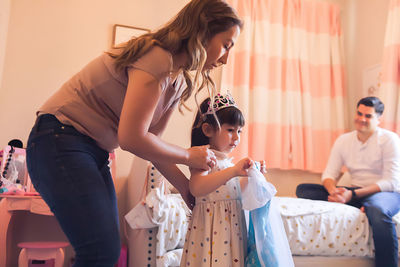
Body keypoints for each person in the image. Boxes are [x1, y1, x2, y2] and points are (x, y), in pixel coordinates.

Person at [25, 0, 243, 266]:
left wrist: (187, 189)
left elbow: (150, 143)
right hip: (59, 137)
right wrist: (188, 156)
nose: (225, 59)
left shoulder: (176, 80)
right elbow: (131, 138)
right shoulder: (158, 57)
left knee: (106, 250)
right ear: (204, 31)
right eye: (226, 45)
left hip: (89, 148)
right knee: (100, 250)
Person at [180, 93, 292, 267]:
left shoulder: (226, 162)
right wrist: (233, 171)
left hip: (232, 231)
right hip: (212, 231)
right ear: (208, 130)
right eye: (230, 130)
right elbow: (197, 187)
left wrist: (250, 176)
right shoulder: (203, 157)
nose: (237, 137)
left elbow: (230, 191)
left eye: (239, 131)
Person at [296, 96, 400, 267]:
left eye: (368, 116)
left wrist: (352, 194)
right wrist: (333, 191)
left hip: (385, 193)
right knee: (304, 189)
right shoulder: (344, 140)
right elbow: (329, 174)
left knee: (378, 209)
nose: (361, 119)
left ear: (379, 119)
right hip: (353, 191)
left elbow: (391, 182)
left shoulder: (389, 140)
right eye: (359, 114)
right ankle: (355, 202)